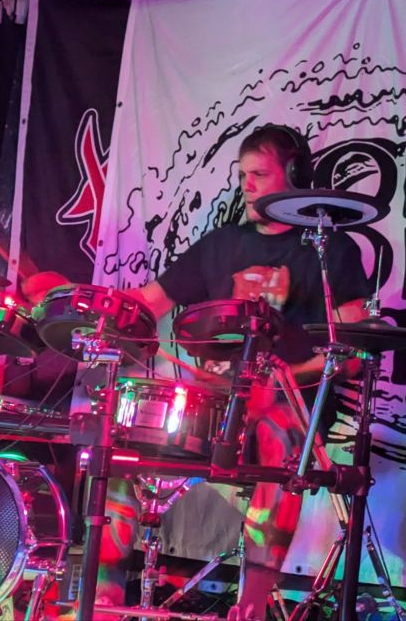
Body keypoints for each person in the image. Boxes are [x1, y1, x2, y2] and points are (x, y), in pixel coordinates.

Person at [95, 124, 371, 620]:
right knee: (124, 437)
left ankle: (250, 606)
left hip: (290, 401)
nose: (247, 185)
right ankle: (105, 596)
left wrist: (288, 376)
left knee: (282, 438)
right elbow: (148, 303)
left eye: (259, 174)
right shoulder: (220, 245)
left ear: (294, 175)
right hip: (217, 403)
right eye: (243, 175)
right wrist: (92, 305)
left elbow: (352, 352)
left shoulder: (330, 251)